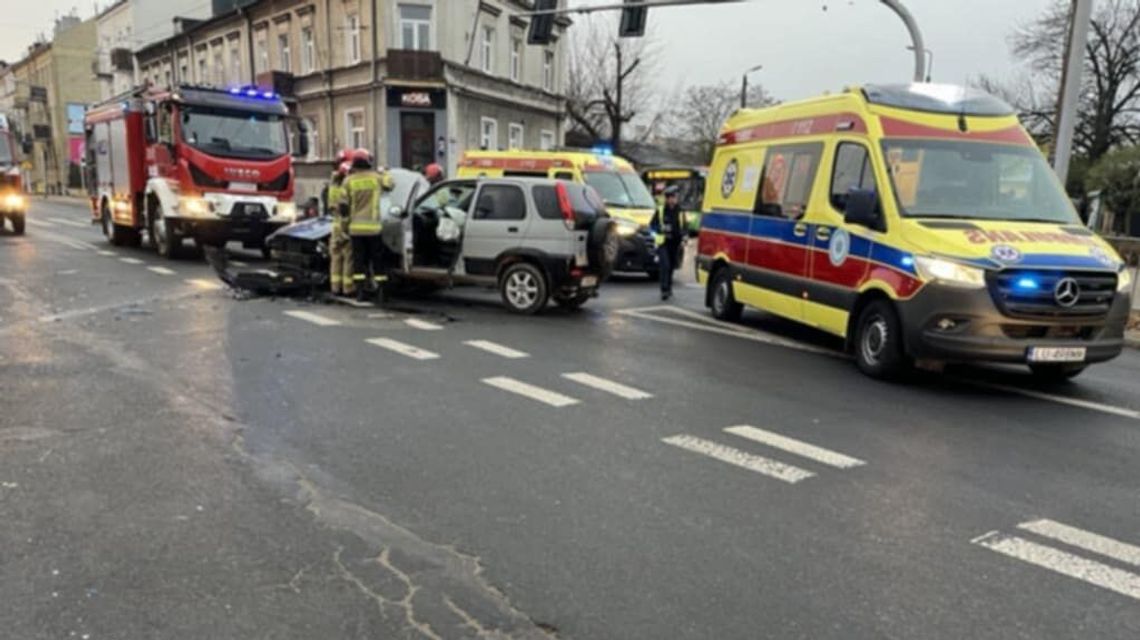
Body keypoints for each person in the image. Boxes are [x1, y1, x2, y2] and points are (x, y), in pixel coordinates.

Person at [340, 148, 395, 302]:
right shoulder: (376, 178)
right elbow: (390, 185)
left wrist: (345, 226)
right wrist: (384, 172)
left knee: (359, 262)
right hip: (374, 229)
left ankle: (360, 292)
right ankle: (381, 292)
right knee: (377, 261)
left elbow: (343, 207)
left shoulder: (348, 181)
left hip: (355, 229)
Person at [651, 185, 686, 301]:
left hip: (675, 243)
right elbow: (652, 226)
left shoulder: (680, 211)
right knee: (664, 265)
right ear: (667, 198)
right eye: (671, 197)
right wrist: (657, 233)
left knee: (671, 266)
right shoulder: (661, 210)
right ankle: (664, 290)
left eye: (674, 197)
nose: (673, 200)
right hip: (663, 242)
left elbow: (685, 227)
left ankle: (669, 287)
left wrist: (684, 237)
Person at [328, 159, 353, 297]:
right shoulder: (346, 187)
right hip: (345, 225)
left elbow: (332, 207)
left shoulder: (333, 186)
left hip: (335, 227)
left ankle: (335, 287)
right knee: (348, 258)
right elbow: (346, 208)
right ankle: (348, 288)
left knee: (336, 258)